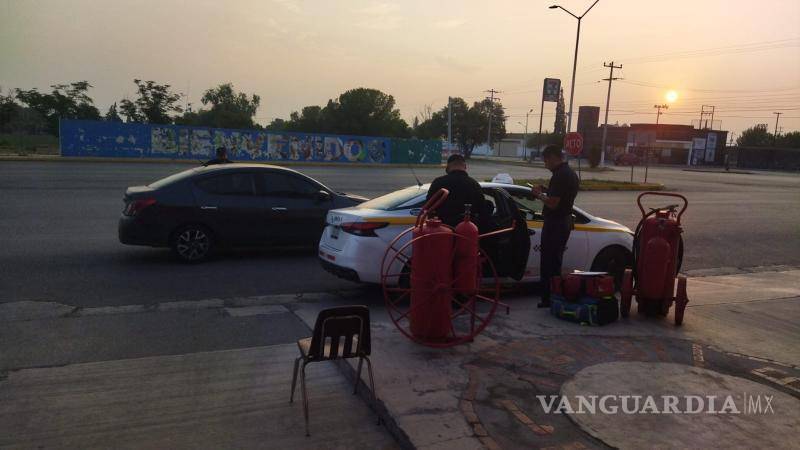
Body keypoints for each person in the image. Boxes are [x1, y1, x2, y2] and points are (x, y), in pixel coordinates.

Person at [531, 145, 580, 308]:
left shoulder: (560, 175)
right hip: (563, 221)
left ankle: (548, 299)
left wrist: (539, 195)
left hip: (556, 223)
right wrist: (546, 189)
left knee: (549, 263)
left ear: (553, 157)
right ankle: (554, 297)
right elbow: (560, 195)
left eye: (546, 161)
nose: (545, 165)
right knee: (555, 262)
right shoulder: (570, 173)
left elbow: (553, 203)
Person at [426, 154, 487, 229]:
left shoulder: (438, 182)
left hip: (442, 229)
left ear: (447, 167)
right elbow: (483, 208)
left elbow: (428, 205)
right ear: (465, 167)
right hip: (467, 230)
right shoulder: (474, 184)